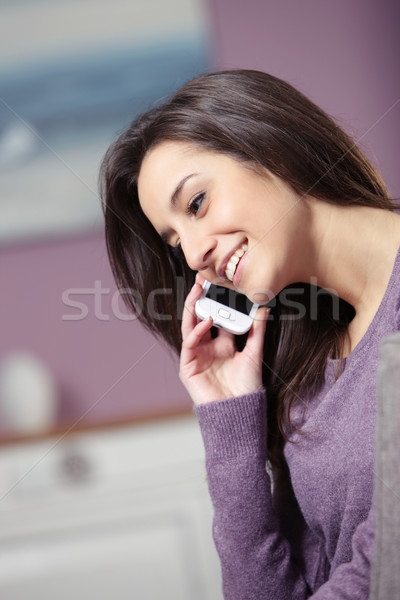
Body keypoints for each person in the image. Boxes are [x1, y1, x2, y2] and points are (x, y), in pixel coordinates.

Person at [99, 70, 400, 598]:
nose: (193, 256)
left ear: (271, 147)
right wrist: (228, 417)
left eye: (196, 205)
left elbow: (384, 574)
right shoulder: (312, 362)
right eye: (175, 244)